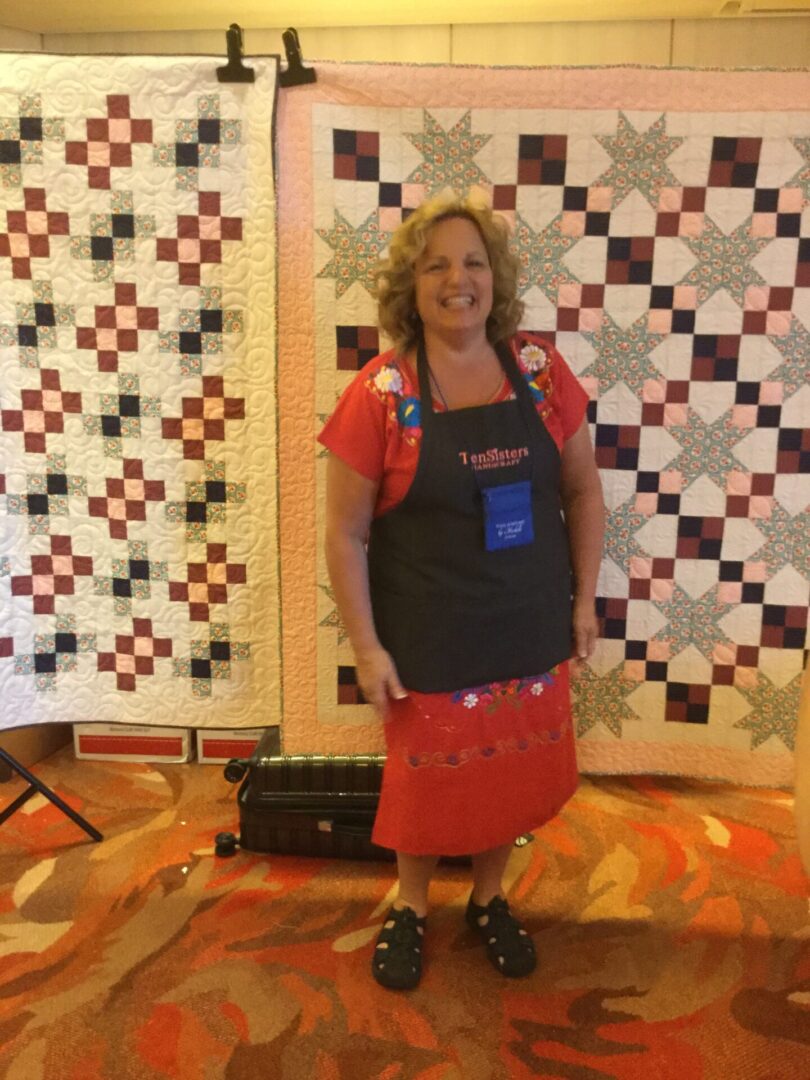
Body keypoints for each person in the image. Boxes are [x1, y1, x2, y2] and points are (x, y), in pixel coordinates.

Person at [318, 189, 605, 991]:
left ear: (496, 277)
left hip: (525, 623)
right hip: (430, 636)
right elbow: (345, 532)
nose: (458, 279)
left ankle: (488, 898)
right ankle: (408, 907)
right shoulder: (380, 393)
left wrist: (582, 604)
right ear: (410, 286)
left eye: (474, 261)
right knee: (429, 784)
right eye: (436, 264)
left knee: (506, 778)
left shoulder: (542, 373)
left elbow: (582, 491)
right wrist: (368, 647)